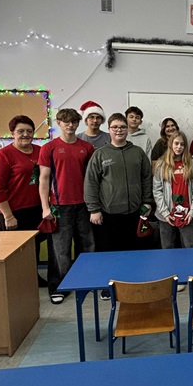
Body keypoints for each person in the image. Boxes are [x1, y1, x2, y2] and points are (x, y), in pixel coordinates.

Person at [84, 112, 154, 299]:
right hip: (108, 214)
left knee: (134, 251)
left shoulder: (137, 153)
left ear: (127, 129)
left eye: (122, 127)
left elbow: (147, 178)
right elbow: (91, 183)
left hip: (135, 212)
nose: (119, 130)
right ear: (109, 130)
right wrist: (94, 209)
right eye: (115, 127)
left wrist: (147, 201)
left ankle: (134, 282)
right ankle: (108, 286)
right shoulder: (100, 154)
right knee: (109, 252)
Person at [39, 108, 96, 304]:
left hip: (84, 205)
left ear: (78, 123)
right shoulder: (49, 148)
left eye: (74, 122)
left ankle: (85, 281)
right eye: (66, 122)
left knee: (87, 245)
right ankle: (59, 287)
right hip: (59, 206)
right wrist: (45, 207)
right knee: (59, 250)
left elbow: (92, 177)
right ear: (59, 123)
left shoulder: (86, 148)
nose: (70, 125)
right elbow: (44, 179)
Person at [0, 114, 47, 286]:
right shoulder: (4, 155)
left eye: (29, 131)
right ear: (12, 133)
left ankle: (32, 277)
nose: (25, 135)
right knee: (18, 249)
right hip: (15, 211)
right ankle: (18, 283)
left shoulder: (40, 151)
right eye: (20, 131)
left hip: (37, 208)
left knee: (33, 246)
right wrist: (8, 216)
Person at [153, 132, 193, 249]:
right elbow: (157, 190)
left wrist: (192, 212)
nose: (179, 147)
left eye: (182, 144)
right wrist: (165, 213)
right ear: (171, 144)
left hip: (187, 214)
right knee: (167, 247)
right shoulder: (161, 164)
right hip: (167, 214)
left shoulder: (192, 164)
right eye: (176, 143)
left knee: (191, 247)